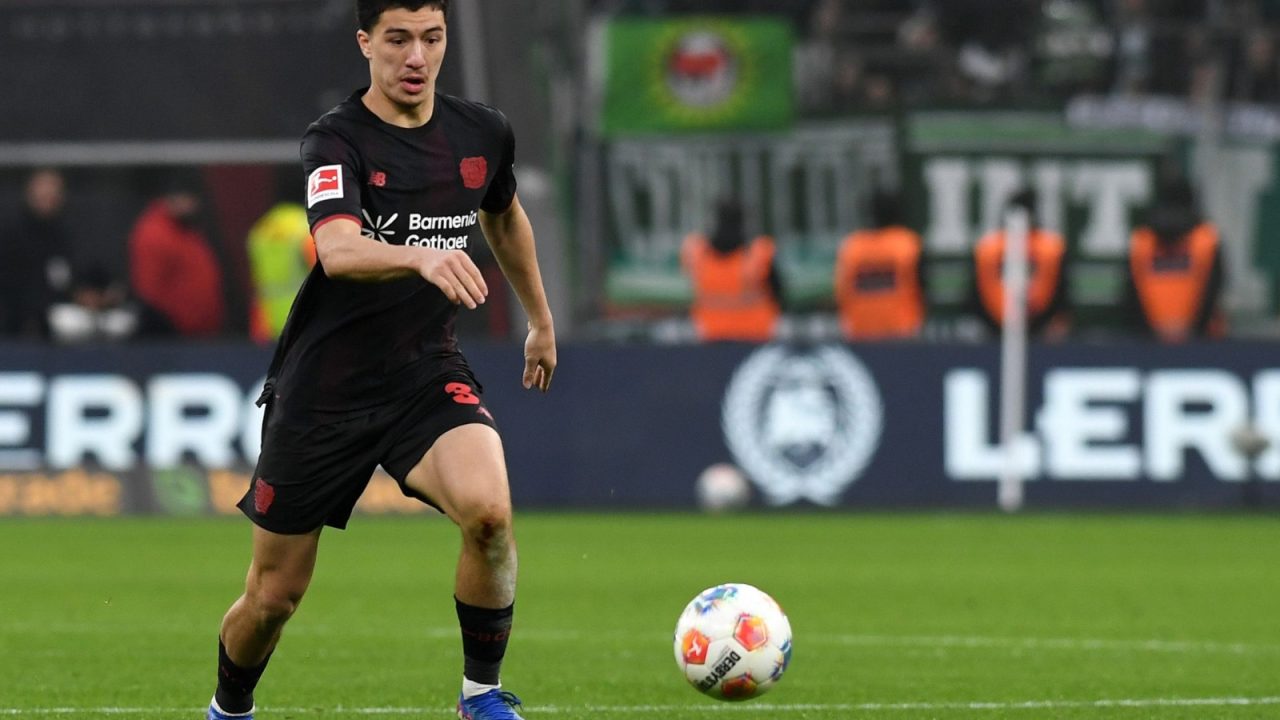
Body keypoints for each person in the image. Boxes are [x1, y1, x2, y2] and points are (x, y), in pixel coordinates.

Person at [205, 3, 556, 720]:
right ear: (366, 43)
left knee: (490, 517)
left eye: (432, 38)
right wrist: (419, 256)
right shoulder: (335, 140)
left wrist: (540, 320)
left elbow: (504, 215)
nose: (416, 57)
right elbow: (337, 249)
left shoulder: (482, 132)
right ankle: (229, 708)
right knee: (273, 597)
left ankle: (481, 697)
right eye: (398, 39)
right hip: (324, 392)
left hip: (424, 374)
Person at [1122, 178, 1225, 342]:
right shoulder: (1207, 237)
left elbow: (1130, 292)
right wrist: (1190, 328)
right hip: (1197, 340)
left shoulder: (1142, 239)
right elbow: (1213, 289)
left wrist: (1154, 329)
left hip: (1149, 340)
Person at [128, 178, 226, 337]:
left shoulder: (185, 231)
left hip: (199, 331)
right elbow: (149, 289)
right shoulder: (156, 233)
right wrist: (168, 324)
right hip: (173, 333)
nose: (194, 206)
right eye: (188, 200)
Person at [968, 189, 1071, 340]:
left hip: (1042, 327)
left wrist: (1059, 319)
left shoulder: (1050, 247)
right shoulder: (989, 247)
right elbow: (975, 290)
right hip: (992, 327)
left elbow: (1062, 288)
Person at [680, 198, 783, 342]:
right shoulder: (758, 253)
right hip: (755, 335)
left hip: (711, 334)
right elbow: (778, 292)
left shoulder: (697, 253)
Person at [833, 190, 926, 340]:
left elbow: (840, 290)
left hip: (860, 332)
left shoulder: (852, 246)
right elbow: (922, 286)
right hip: (902, 332)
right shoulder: (907, 244)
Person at [0, 168, 74, 339]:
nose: (47, 196)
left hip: (56, 319)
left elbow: (65, 277)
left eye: (53, 191)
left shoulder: (65, 235)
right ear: (29, 193)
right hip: (12, 321)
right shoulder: (10, 234)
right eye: (42, 191)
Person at [246, 194, 315, 344]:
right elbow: (325, 275)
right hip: (304, 322)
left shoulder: (261, 229)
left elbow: (257, 281)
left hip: (267, 325)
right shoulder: (305, 226)